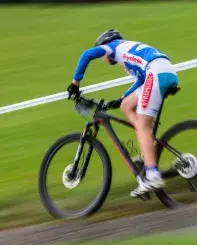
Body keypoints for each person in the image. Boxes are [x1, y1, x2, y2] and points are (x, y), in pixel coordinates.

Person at [67, 29, 179, 198]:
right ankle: (147, 150)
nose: (103, 59)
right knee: (127, 106)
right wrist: (122, 98)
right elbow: (141, 80)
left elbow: (86, 54)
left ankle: (152, 176)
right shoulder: (127, 49)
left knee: (142, 124)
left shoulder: (112, 47)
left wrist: (75, 84)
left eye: (102, 55)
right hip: (162, 71)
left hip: (156, 73)